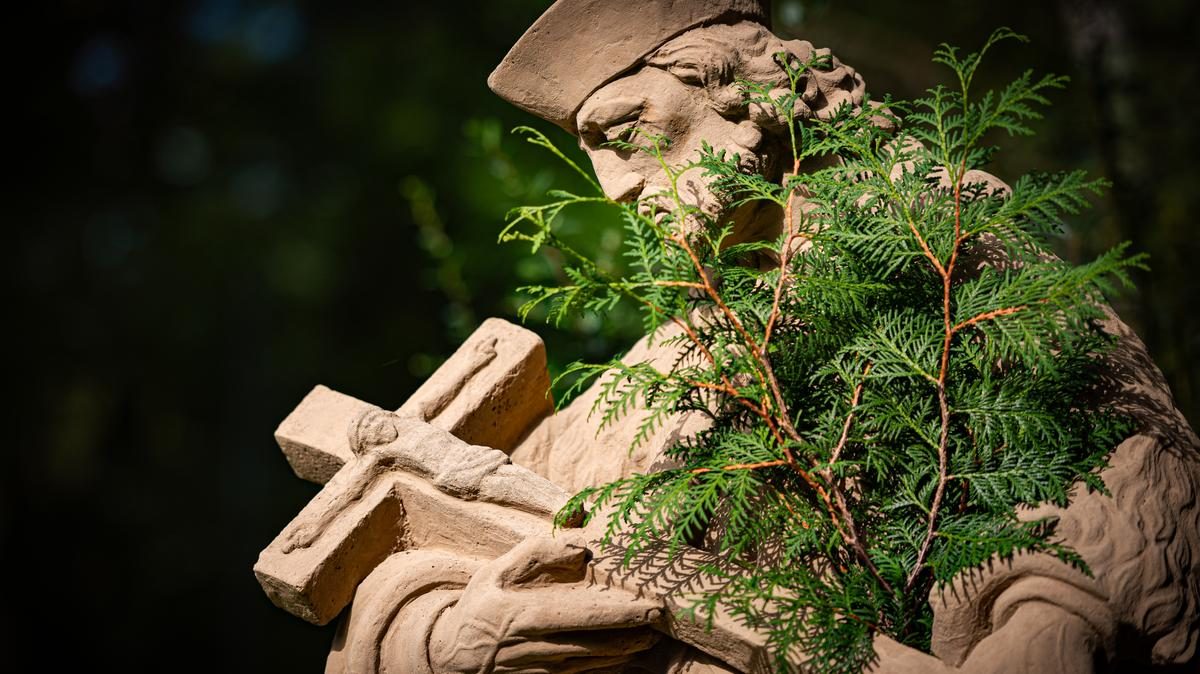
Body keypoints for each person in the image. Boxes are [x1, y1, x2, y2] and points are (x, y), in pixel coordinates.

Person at [327, 1, 1200, 672]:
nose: (614, 189)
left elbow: (1119, 454)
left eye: (625, 132)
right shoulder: (653, 380)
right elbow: (427, 569)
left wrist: (1051, 621)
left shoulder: (941, 250)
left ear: (737, 91)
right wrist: (461, 636)